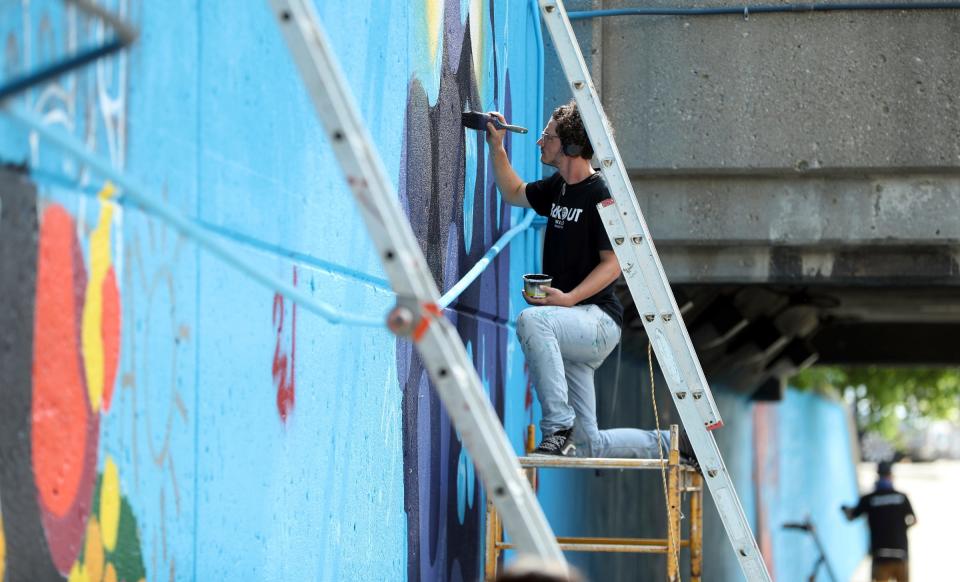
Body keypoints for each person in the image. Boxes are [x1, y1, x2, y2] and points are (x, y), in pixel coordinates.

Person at [485, 100, 693, 461]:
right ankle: (673, 446)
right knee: (589, 444)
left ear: (572, 147)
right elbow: (513, 192)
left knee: (531, 321)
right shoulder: (558, 187)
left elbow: (614, 265)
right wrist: (497, 147)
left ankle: (556, 425)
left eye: (547, 137)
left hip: (597, 322)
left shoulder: (602, 195)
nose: (539, 142)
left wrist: (568, 298)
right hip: (570, 327)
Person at [842, 461, 916, 582]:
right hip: (901, 553)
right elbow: (913, 520)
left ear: (878, 475)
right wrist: (901, 529)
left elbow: (851, 516)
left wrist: (844, 509)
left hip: (880, 555)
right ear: (891, 475)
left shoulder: (869, 499)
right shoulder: (901, 497)